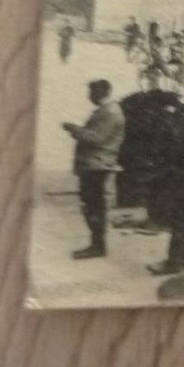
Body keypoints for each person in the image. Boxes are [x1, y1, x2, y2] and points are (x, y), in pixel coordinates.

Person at [62, 78, 125, 259]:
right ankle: (96, 244)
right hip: (95, 164)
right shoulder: (107, 111)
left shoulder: (110, 112)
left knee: (94, 206)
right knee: (92, 205)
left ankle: (97, 246)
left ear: (101, 92)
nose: (89, 96)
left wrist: (74, 129)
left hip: (97, 165)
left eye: (91, 92)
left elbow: (96, 138)